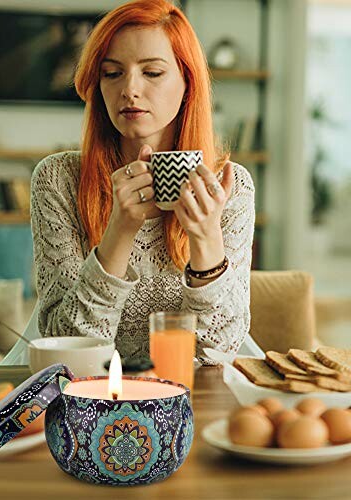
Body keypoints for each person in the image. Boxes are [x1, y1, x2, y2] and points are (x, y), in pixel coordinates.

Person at [30, 0, 257, 364]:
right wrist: (120, 229)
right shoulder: (58, 180)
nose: (129, 90)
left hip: (188, 394)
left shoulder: (231, 188)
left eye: (152, 73)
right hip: (89, 393)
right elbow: (67, 346)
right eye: (112, 73)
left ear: (188, 82)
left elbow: (218, 350)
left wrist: (205, 239)